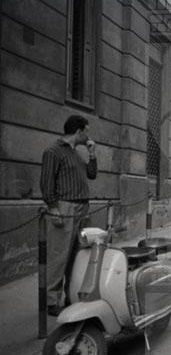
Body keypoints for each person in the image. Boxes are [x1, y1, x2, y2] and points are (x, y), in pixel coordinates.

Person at [40, 115, 97, 316]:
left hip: (82, 209)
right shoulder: (53, 151)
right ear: (79, 132)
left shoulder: (77, 153)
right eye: (86, 131)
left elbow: (92, 174)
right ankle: (51, 301)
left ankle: (70, 295)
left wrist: (92, 154)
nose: (88, 136)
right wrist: (53, 207)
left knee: (77, 256)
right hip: (65, 208)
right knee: (59, 255)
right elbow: (47, 181)